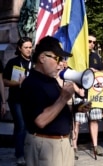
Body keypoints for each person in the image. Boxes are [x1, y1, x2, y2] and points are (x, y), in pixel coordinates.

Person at [20, 36, 90, 166]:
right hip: (46, 146)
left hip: (63, 144)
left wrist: (77, 108)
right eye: (57, 59)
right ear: (42, 58)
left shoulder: (51, 80)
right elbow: (40, 121)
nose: (61, 64)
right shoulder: (31, 84)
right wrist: (64, 98)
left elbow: (55, 107)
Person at [3, 36, 33, 165]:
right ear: (20, 48)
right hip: (16, 99)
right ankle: (20, 154)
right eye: (26, 47)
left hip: (31, 99)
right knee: (21, 125)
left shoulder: (36, 63)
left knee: (26, 126)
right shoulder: (13, 62)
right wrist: (16, 83)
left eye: (30, 47)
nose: (28, 50)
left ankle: (25, 151)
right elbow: (4, 81)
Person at [55, 61, 85, 160]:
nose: (60, 66)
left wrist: (80, 92)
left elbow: (75, 88)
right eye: (58, 65)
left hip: (70, 104)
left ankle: (73, 146)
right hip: (59, 105)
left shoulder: (67, 76)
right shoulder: (54, 77)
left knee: (72, 126)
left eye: (61, 65)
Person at [88, 33, 103, 156]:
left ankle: (95, 146)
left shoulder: (96, 56)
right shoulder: (78, 54)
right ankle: (73, 147)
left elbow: (102, 71)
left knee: (94, 120)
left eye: (94, 42)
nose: (92, 44)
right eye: (90, 41)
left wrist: (97, 71)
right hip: (81, 91)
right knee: (77, 121)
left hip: (94, 92)